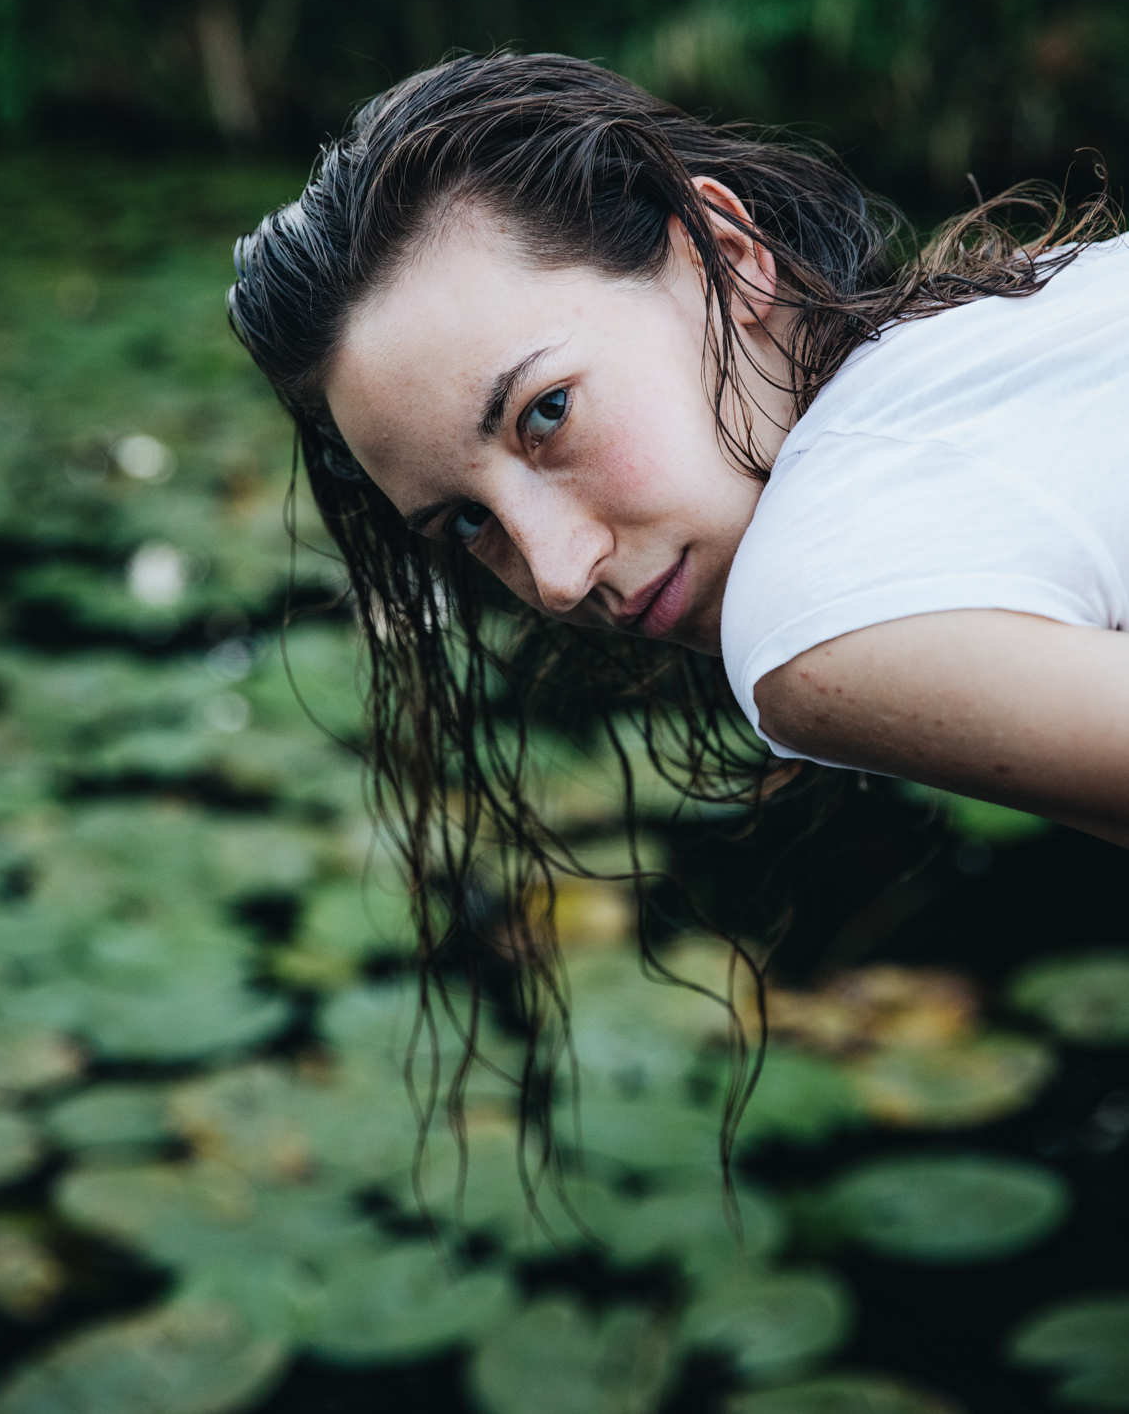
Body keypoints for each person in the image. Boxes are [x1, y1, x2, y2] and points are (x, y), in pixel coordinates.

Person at [229, 51, 1129, 984]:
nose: (556, 575)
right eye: (465, 522)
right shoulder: (1039, 302)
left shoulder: (806, 616)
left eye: (547, 412)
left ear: (726, 258)